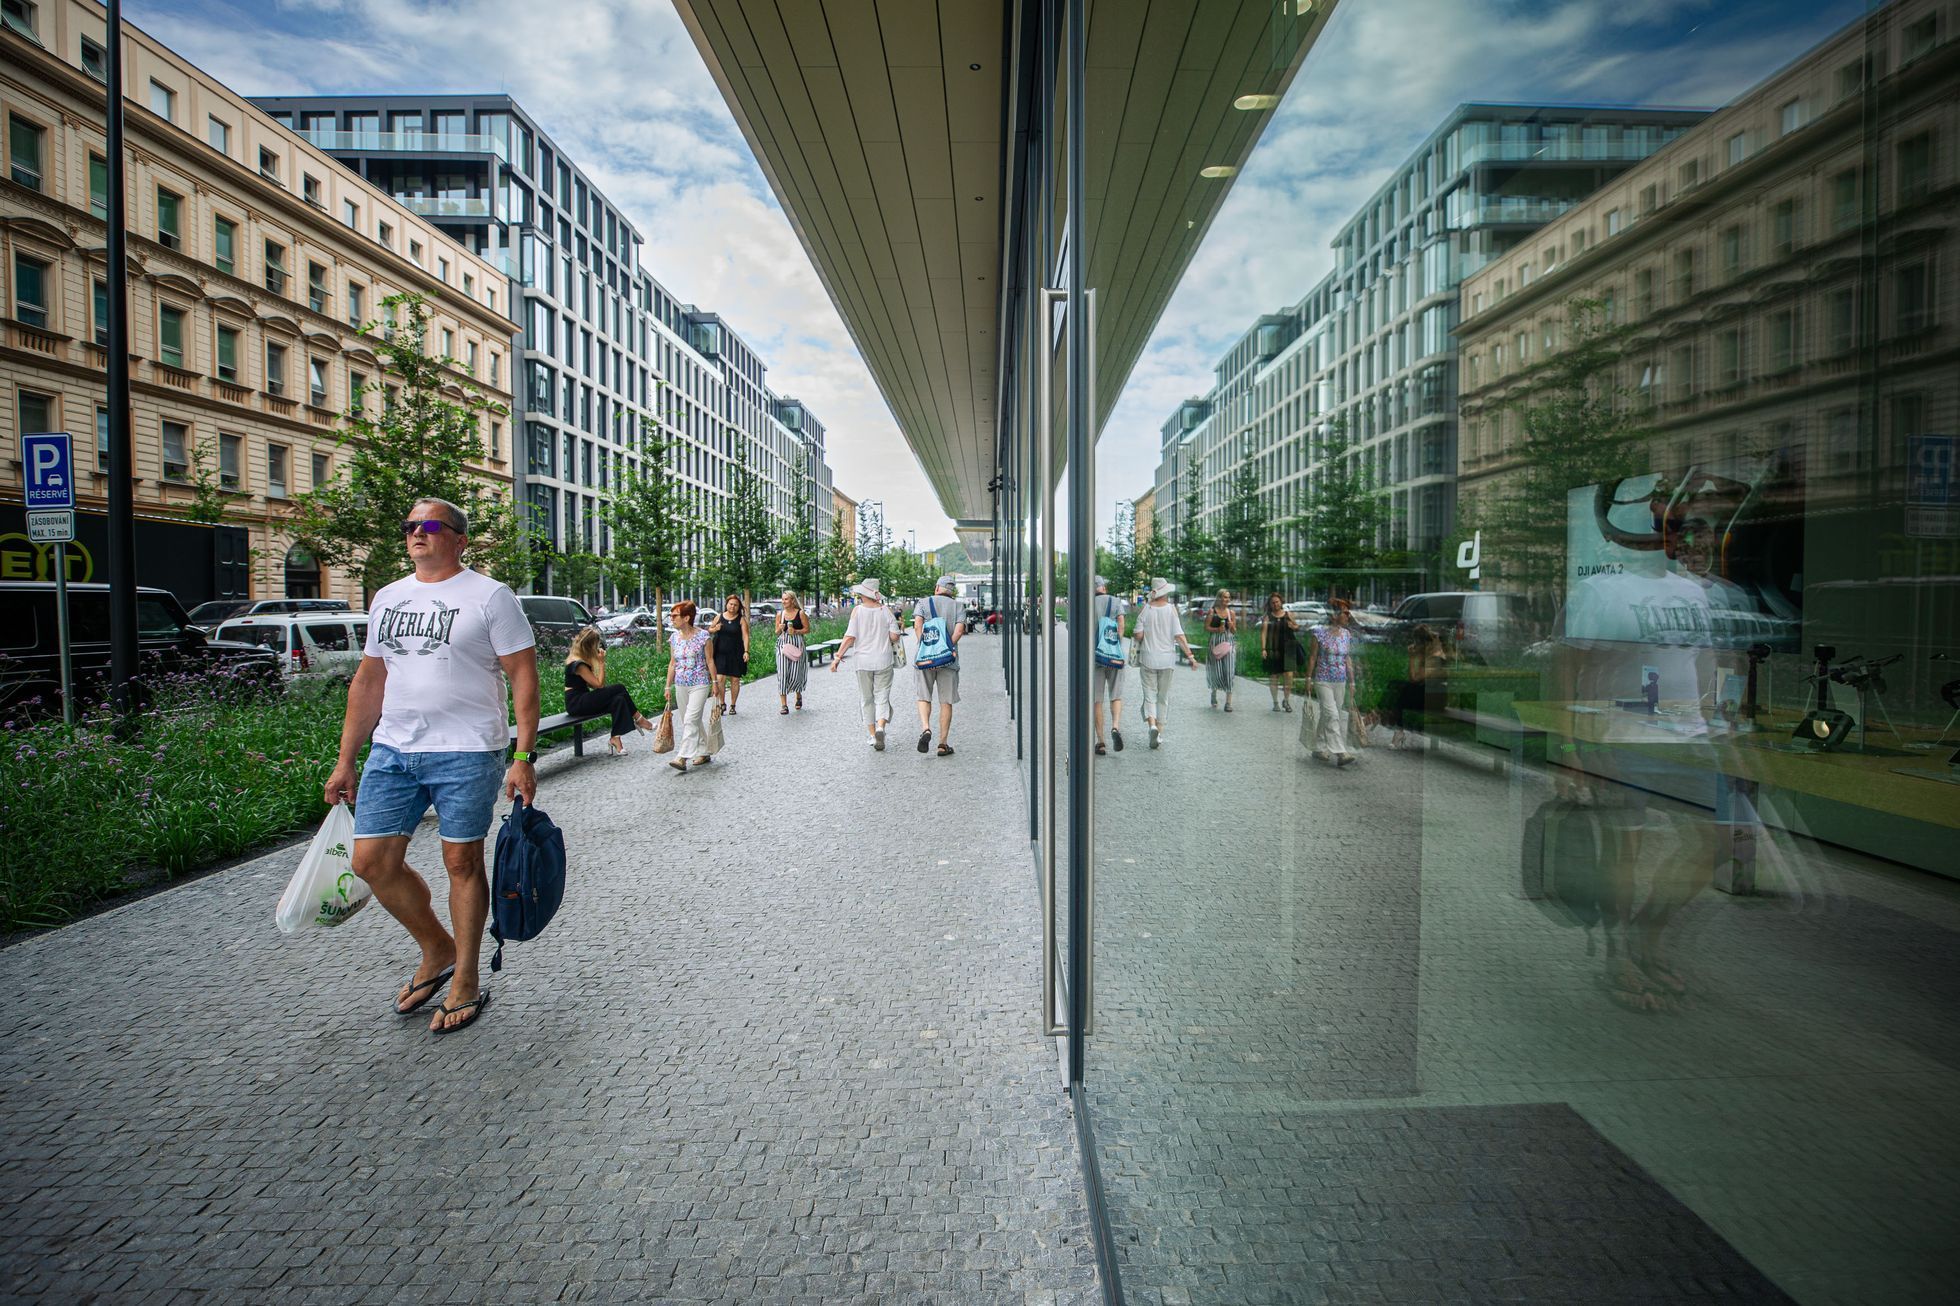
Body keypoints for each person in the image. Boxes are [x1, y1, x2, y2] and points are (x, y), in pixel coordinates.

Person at [323, 496, 537, 1036]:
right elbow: (370, 680)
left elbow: (523, 677)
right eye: (410, 526)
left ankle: (465, 974)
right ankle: (436, 946)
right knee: (370, 861)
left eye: (431, 526)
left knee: (461, 861)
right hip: (394, 749)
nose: (417, 534)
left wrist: (523, 756)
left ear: (459, 539)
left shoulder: (491, 597)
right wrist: (347, 758)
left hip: (467, 748)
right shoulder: (388, 598)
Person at [831, 576, 900, 749]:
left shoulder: (858, 611)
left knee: (866, 698)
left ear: (863, 594)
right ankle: (880, 727)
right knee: (882, 696)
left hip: (863, 662)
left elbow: (850, 636)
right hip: (883, 660)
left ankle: (871, 735)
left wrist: (838, 657)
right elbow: (894, 636)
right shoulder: (886, 611)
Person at [563, 627, 653, 755]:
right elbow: (599, 685)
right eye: (596, 645)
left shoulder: (580, 659)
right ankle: (639, 719)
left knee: (618, 699)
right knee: (619, 688)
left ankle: (615, 738)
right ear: (590, 646)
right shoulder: (578, 664)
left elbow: (594, 685)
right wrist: (601, 663)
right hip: (576, 703)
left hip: (582, 699)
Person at [1133, 577, 1198, 750]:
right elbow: (1179, 635)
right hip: (1166, 660)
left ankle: (1152, 726)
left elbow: (1138, 635)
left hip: (1148, 658)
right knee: (1163, 697)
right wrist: (1190, 656)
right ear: (1165, 593)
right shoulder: (1171, 610)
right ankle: (1159, 734)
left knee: (1149, 695)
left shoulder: (1146, 610)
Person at [912, 575, 967, 756]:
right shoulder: (958, 606)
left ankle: (926, 728)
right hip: (948, 660)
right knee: (946, 701)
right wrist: (945, 650)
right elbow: (959, 630)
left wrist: (927, 648)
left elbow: (917, 625)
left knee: (924, 696)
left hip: (925, 659)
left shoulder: (923, 602)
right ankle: (942, 744)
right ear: (951, 591)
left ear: (937, 588)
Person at [663, 600, 717, 773]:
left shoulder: (703, 636)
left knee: (690, 719)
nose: (671, 618)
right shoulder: (674, 638)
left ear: (686, 617)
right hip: (681, 683)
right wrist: (667, 686)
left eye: (674, 615)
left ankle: (682, 757)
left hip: (700, 683)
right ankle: (704, 751)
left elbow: (710, 660)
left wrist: (715, 683)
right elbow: (672, 663)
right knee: (690, 719)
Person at [1306, 598, 1361, 767]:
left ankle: (1318, 747)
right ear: (1334, 615)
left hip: (1340, 680)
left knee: (1329, 713)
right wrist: (1308, 678)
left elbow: (1347, 658)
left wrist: (1352, 682)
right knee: (1332, 714)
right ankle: (1340, 752)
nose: (1347, 616)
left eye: (1347, 612)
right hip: (1323, 679)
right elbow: (1313, 657)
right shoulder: (1319, 633)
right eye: (1344, 612)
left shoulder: (1346, 634)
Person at [1389, 623, 1446, 750]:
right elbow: (1414, 678)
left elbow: (1414, 678)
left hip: (1435, 699)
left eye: (1416, 643)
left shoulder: (1435, 657)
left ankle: (1393, 726)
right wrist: (1417, 657)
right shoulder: (1426, 654)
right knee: (1396, 686)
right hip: (1425, 693)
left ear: (1423, 643)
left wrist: (1411, 658)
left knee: (1403, 690)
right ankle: (1395, 727)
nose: (1415, 646)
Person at [1090, 575, 1127, 755]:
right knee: (1116, 694)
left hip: (1094, 656)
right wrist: (1115, 645)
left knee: (1097, 699)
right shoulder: (1115, 601)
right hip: (1114, 655)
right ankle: (1115, 727)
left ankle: (1101, 741)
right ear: (1103, 587)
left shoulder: (1086, 603)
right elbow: (1121, 625)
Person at [708, 594, 751, 715]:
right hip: (720, 653)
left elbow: (745, 636)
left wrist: (746, 651)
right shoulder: (719, 617)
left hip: (736, 653)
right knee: (720, 678)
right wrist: (714, 629)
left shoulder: (741, 619)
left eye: (735, 605)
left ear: (739, 607)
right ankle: (722, 703)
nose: (732, 606)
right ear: (726, 604)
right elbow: (709, 629)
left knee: (735, 680)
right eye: (731, 604)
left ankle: (733, 704)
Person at [1261, 593, 1305, 712]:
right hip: (1274, 648)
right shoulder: (1267, 617)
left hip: (1289, 646)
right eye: (1273, 602)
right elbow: (1264, 633)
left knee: (1289, 675)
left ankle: (1286, 700)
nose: (1275, 604)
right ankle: (1275, 702)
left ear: (1281, 602)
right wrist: (1263, 649)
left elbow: (1297, 627)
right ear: (1270, 604)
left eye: (1277, 602)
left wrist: (1294, 626)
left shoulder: (1288, 614)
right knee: (1274, 676)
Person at [775, 590, 811, 713]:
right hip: (783, 645)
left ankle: (798, 694)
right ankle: (784, 705)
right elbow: (776, 633)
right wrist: (780, 629)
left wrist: (796, 631)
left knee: (796, 673)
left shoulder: (800, 613)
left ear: (792, 600)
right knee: (782, 673)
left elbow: (807, 629)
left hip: (797, 644)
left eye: (786, 599)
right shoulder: (780, 614)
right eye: (783, 599)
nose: (784, 601)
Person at [1204, 589, 1239, 711]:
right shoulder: (1212, 612)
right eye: (1224, 597)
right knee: (1216, 671)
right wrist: (1216, 630)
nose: (1227, 600)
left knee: (1229, 671)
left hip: (1228, 642)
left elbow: (1234, 631)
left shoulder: (1231, 613)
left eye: (1228, 597)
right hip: (1215, 643)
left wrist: (1232, 626)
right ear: (1219, 598)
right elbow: (1206, 627)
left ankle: (1228, 702)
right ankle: (1214, 693)